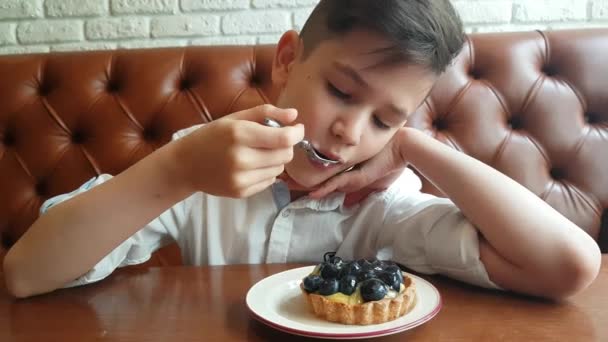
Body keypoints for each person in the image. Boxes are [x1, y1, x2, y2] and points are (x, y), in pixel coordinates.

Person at [3, 0, 601, 300]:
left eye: (387, 119)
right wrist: (178, 167)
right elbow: (25, 273)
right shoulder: (201, 166)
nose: (350, 132)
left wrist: (420, 149)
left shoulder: (383, 203)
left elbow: (570, 265)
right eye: (341, 92)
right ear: (289, 59)